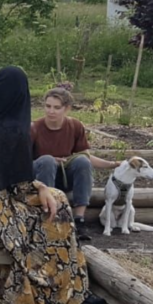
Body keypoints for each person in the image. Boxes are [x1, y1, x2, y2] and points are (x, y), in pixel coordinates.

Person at [0, 66, 108, 304]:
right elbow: (19, 185)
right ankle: (57, 293)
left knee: (55, 199)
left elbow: (4, 176)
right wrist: (41, 189)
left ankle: (70, 286)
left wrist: (41, 187)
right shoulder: (12, 128)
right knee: (54, 214)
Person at [32, 88, 118, 230]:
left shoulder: (74, 126)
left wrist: (113, 164)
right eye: (48, 106)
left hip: (65, 178)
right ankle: (48, 216)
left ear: (67, 109)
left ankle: (79, 219)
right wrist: (50, 160)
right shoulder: (34, 128)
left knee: (82, 161)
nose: (51, 111)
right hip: (41, 179)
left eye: (56, 108)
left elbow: (86, 156)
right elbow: (22, 162)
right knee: (47, 161)